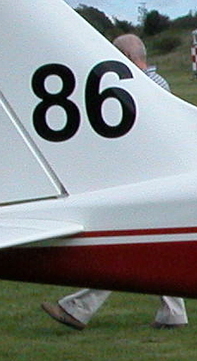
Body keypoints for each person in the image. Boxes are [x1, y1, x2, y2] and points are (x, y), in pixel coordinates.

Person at [41, 32, 188, 331]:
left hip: (147, 176)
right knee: (149, 246)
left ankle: (79, 308)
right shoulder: (157, 85)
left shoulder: (142, 86)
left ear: (130, 58)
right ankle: (172, 312)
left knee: (122, 243)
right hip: (157, 176)